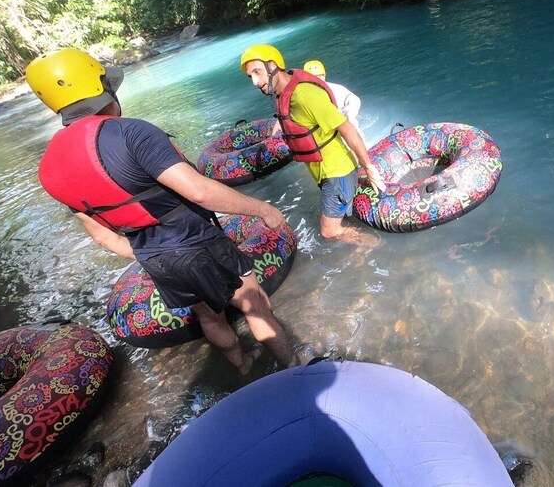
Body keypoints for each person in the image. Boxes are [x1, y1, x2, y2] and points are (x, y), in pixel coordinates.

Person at [26, 48, 295, 374]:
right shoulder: (130, 132)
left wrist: (151, 251)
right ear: (102, 89)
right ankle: (292, 363)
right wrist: (263, 209)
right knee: (255, 306)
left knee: (208, 315)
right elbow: (198, 191)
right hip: (198, 240)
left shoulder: (50, 169)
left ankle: (243, 365)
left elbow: (101, 237)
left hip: (156, 258)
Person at [240, 44, 385, 247]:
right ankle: (362, 249)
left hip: (337, 171)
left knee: (329, 231)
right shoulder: (284, 94)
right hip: (325, 172)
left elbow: (347, 128)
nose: (255, 81)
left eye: (257, 72)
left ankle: (375, 245)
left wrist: (369, 168)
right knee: (340, 219)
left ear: (272, 66)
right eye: (250, 76)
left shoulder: (305, 95)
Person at [303, 59, 362, 135]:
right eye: (313, 78)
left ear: (324, 76)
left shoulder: (335, 88)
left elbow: (354, 99)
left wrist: (348, 112)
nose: (317, 81)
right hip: (325, 131)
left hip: (345, 125)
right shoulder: (304, 96)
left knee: (349, 119)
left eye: (319, 77)